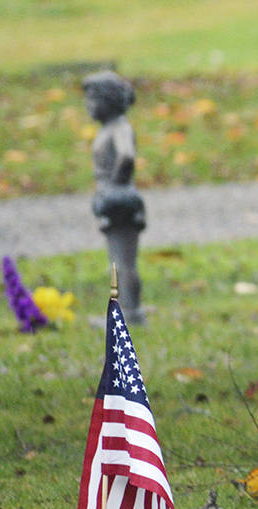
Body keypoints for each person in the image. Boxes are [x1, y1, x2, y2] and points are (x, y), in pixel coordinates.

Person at [84, 70, 146, 324]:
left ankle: (130, 313)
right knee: (117, 259)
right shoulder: (110, 127)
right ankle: (124, 311)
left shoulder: (120, 128)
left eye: (92, 100)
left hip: (118, 198)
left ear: (108, 100)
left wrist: (115, 185)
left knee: (123, 260)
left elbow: (127, 156)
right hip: (112, 196)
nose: (88, 107)